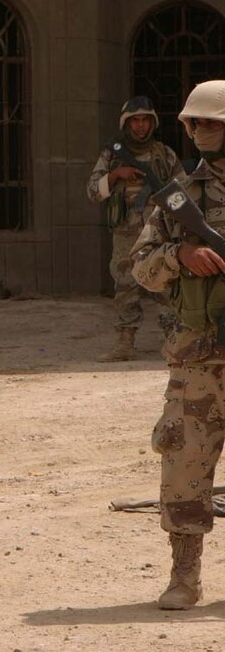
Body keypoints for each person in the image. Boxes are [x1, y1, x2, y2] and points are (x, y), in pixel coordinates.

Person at [131, 79, 225, 610]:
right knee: (186, 465)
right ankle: (184, 575)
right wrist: (179, 257)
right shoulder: (178, 194)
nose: (202, 131)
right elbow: (141, 269)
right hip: (198, 357)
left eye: (213, 121)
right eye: (195, 123)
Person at [88, 96, 184, 362]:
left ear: (152, 123)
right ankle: (125, 343)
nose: (140, 126)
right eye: (135, 121)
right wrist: (117, 174)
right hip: (125, 233)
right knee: (125, 285)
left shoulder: (164, 154)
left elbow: (182, 192)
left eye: (145, 120)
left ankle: (174, 341)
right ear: (126, 124)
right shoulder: (112, 154)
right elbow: (93, 191)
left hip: (158, 232)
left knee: (165, 285)